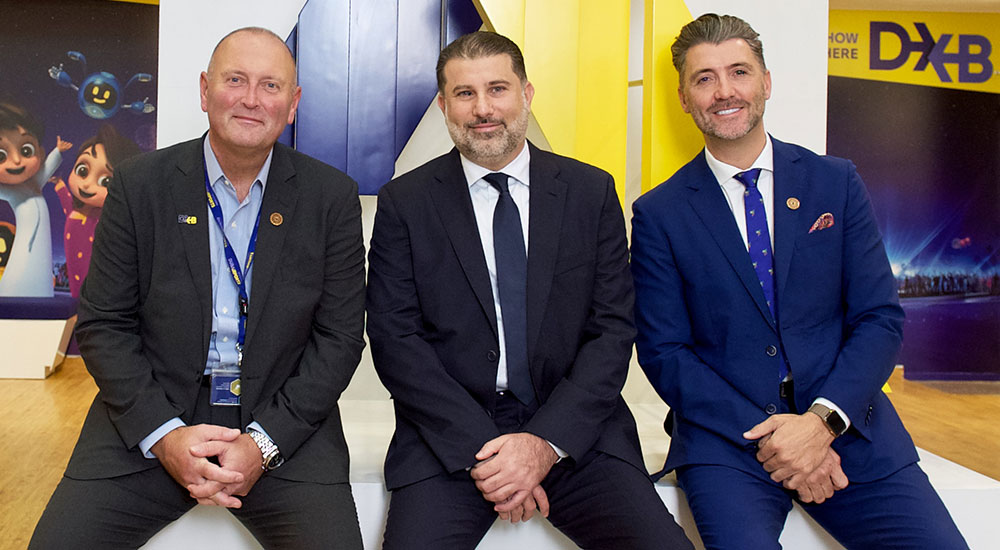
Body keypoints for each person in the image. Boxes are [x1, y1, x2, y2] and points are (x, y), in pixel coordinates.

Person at [630, 13, 967, 550]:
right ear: (683, 97)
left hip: (849, 426)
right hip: (729, 443)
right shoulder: (659, 213)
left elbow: (878, 318)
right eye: (704, 78)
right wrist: (778, 439)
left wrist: (819, 424)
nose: (724, 92)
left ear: (766, 81)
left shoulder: (836, 182)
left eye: (739, 72)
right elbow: (665, 352)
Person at [30, 27, 366, 549]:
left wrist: (264, 443)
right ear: (206, 90)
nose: (252, 99)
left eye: (271, 86)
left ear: (293, 103)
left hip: (284, 424)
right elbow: (103, 325)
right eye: (236, 80)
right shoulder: (139, 186)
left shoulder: (331, 197)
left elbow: (340, 338)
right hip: (152, 413)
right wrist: (164, 436)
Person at [366, 31, 693, 550]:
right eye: (465, 93)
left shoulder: (591, 192)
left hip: (575, 433)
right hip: (449, 439)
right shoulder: (404, 203)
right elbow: (395, 340)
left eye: (497, 89)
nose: (482, 109)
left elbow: (612, 330)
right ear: (444, 104)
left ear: (527, 94)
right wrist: (494, 456)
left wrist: (543, 445)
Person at [52, 124, 142, 296]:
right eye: (83, 170)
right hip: (75, 286)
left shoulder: (112, 219)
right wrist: (59, 184)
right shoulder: (74, 211)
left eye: (105, 181)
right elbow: (66, 203)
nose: (86, 184)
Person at [0, 102, 71, 297]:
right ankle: (13, 292)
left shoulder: (34, 185)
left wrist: (57, 151)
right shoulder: (11, 191)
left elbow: (47, 168)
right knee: (23, 265)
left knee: (40, 267)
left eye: (25, 151)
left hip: (40, 245)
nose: (16, 161)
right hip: (26, 242)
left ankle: (40, 292)